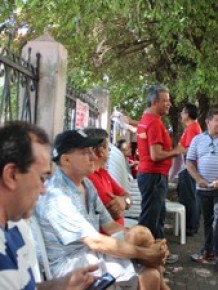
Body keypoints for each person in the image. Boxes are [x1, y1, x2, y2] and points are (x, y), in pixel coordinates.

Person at [35, 129, 169, 290]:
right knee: (150, 274)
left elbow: (111, 227)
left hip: (91, 253)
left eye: (92, 150)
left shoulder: (86, 185)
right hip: (71, 268)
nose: (93, 156)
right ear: (66, 160)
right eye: (85, 152)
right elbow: (94, 241)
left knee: (144, 241)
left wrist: (151, 247)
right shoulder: (57, 196)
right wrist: (144, 253)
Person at [0, 121, 99, 290]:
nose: (44, 190)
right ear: (11, 175)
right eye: (42, 178)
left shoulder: (18, 229)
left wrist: (59, 285)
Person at [137, 85, 185, 263]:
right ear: (154, 102)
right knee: (150, 219)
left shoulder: (147, 119)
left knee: (157, 217)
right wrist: (176, 151)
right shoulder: (154, 122)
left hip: (153, 176)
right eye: (165, 101)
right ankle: (143, 257)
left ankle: (160, 252)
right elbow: (155, 155)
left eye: (169, 100)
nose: (169, 104)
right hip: (154, 176)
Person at [186, 108, 218, 264]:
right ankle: (209, 251)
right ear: (208, 121)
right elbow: (189, 161)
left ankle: (213, 252)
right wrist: (198, 179)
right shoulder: (197, 140)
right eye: (217, 120)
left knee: (217, 220)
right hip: (203, 188)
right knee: (207, 221)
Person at [85, 128, 132, 230]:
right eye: (108, 149)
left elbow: (127, 197)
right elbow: (115, 211)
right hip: (109, 237)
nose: (109, 152)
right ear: (101, 150)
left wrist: (125, 202)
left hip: (115, 233)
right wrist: (124, 202)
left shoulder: (104, 173)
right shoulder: (90, 177)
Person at [177, 103, 202, 236]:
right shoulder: (191, 128)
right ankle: (190, 225)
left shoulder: (193, 128)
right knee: (189, 195)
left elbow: (190, 150)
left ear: (187, 114)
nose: (181, 115)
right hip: (188, 166)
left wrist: (173, 152)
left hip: (190, 167)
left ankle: (190, 227)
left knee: (190, 197)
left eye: (182, 112)